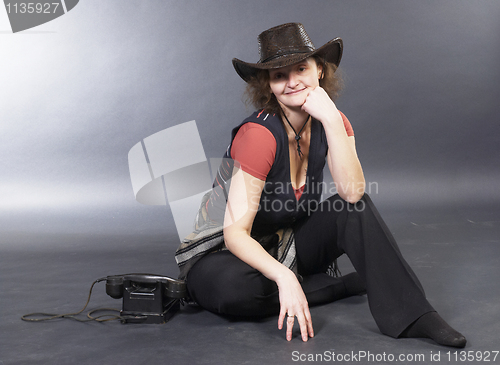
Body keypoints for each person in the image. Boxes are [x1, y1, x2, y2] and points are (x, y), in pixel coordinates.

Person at [175, 23, 466, 347]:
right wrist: (284, 276)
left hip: (285, 242)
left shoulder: (334, 121)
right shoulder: (258, 135)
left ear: (320, 71)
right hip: (225, 254)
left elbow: (353, 193)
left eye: (301, 69)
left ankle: (414, 315)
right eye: (279, 75)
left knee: (354, 209)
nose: (292, 82)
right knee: (238, 291)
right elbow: (234, 234)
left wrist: (330, 120)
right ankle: (333, 286)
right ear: (268, 85)